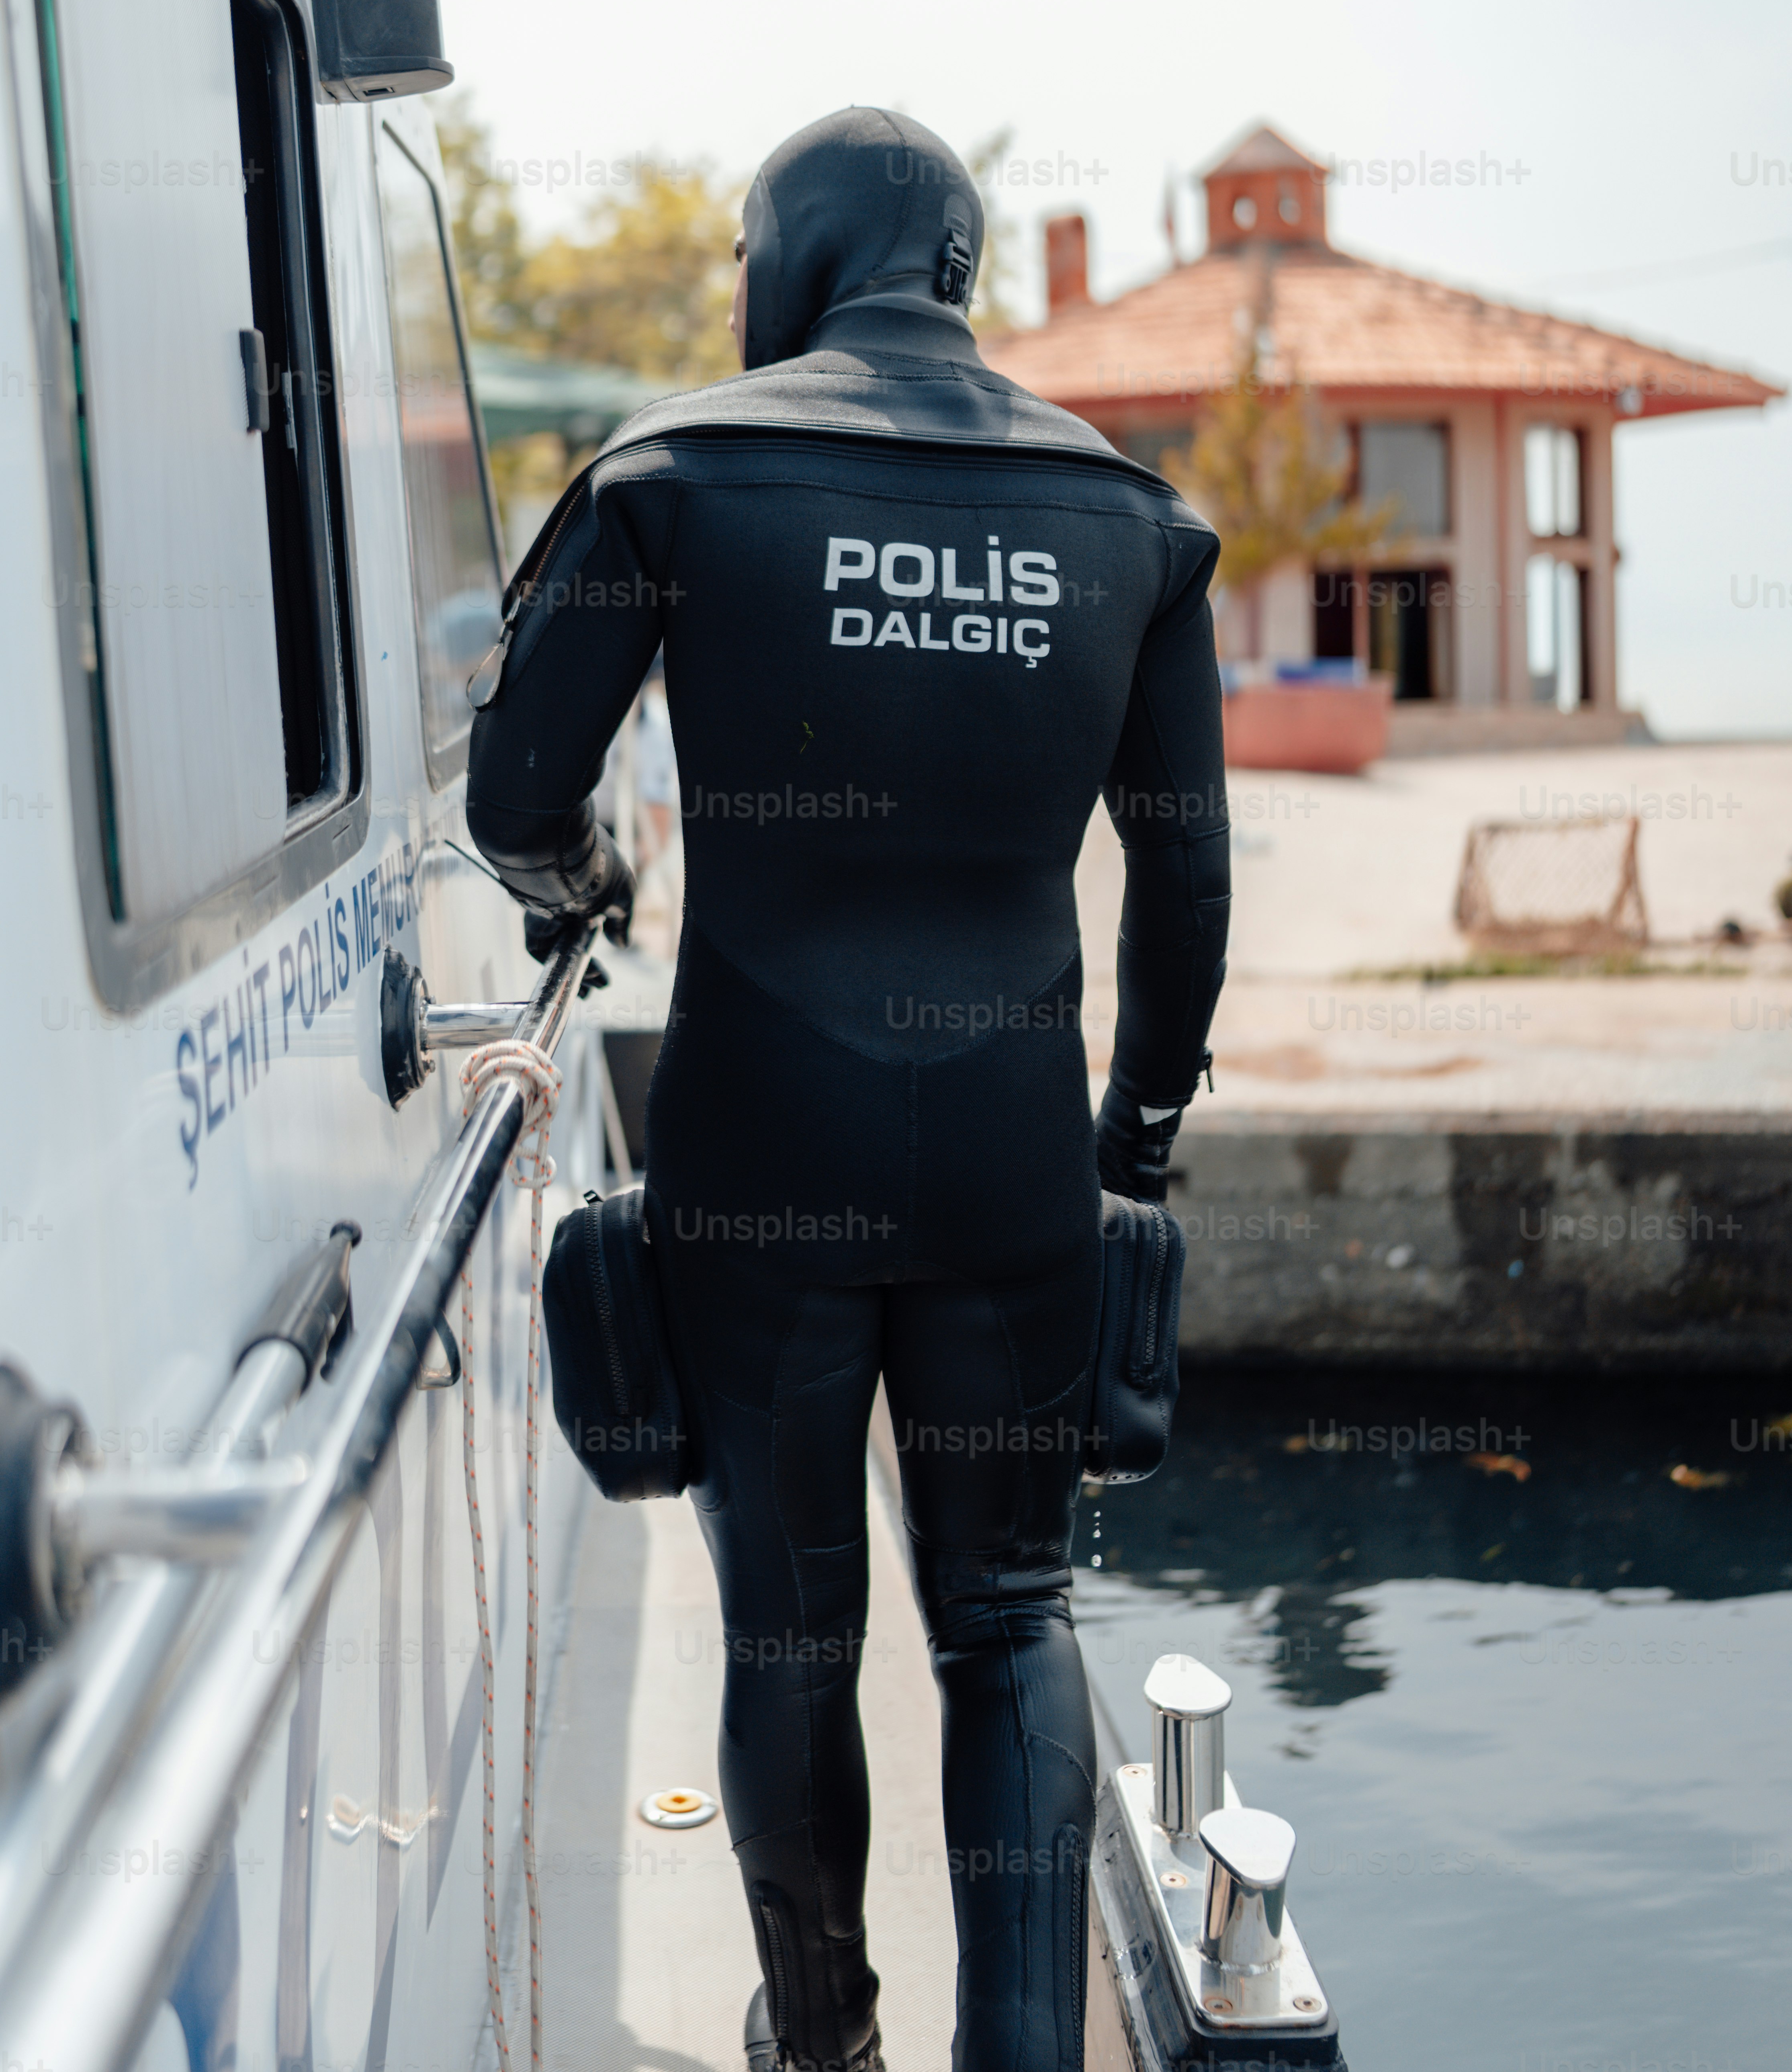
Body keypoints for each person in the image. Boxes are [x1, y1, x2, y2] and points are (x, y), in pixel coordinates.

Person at [466, 109, 1229, 2072]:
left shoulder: (681, 470)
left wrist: (581, 889)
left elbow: (513, 796)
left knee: (790, 1637)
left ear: (789, 260)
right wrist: (1129, 1144)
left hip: (759, 1143)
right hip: (1009, 1161)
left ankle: (820, 2040)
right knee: (1007, 1619)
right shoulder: (1126, 516)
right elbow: (1187, 873)